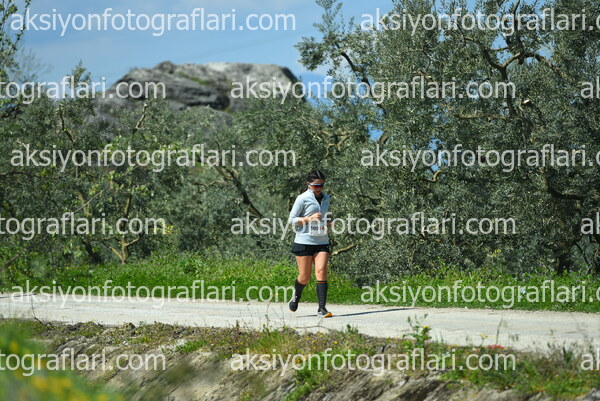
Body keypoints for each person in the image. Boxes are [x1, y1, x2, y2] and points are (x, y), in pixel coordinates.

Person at [287, 170, 332, 317]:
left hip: (321, 240)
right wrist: (309, 219)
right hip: (304, 241)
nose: (319, 188)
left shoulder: (327, 198)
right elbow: (291, 221)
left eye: (321, 185)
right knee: (305, 277)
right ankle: (296, 295)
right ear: (308, 184)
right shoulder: (302, 199)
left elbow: (323, 216)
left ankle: (321, 308)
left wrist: (328, 221)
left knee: (321, 271)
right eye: (316, 186)